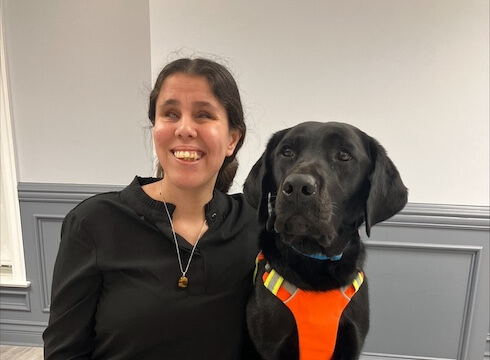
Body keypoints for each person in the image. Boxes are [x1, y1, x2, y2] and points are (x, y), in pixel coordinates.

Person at [43, 58, 261, 359]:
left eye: (203, 114)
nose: (185, 128)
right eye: (170, 114)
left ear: (232, 140)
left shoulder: (254, 224)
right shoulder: (94, 223)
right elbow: (65, 353)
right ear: (155, 129)